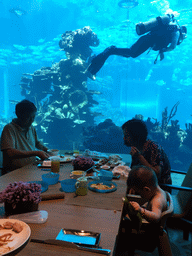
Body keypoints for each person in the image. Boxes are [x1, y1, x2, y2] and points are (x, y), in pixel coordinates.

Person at [87, 14, 187, 78]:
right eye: (183, 38)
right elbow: (173, 47)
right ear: (183, 33)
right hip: (147, 41)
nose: (181, 40)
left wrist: (161, 50)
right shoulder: (176, 31)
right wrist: (164, 51)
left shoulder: (170, 28)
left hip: (146, 39)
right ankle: (109, 51)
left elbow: (161, 40)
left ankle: (95, 62)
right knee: (131, 53)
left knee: (131, 54)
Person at [116, 166, 168, 256]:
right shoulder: (157, 189)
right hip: (147, 227)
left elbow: (156, 217)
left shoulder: (157, 201)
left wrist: (141, 210)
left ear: (146, 189)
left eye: (139, 193)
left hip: (147, 235)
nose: (139, 195)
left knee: (117, 229)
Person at [1, 100, 49, 174]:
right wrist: (36, 153)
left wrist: (46, 150)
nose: (32, 120)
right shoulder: (9, 129)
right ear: (18, 115)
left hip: (31, 169)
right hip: (14, 172)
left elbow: (37, 143)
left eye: (33, 117)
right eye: (28, 117)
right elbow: (10, 153)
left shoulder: (31, 127)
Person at [122, 118, 172, 190]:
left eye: (126, 135)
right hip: (144, 184)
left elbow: (156, 174)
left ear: (136, 136)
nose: (124, 138)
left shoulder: (154, 148)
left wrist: (139, 156)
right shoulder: (135, 146)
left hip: (159, 189)